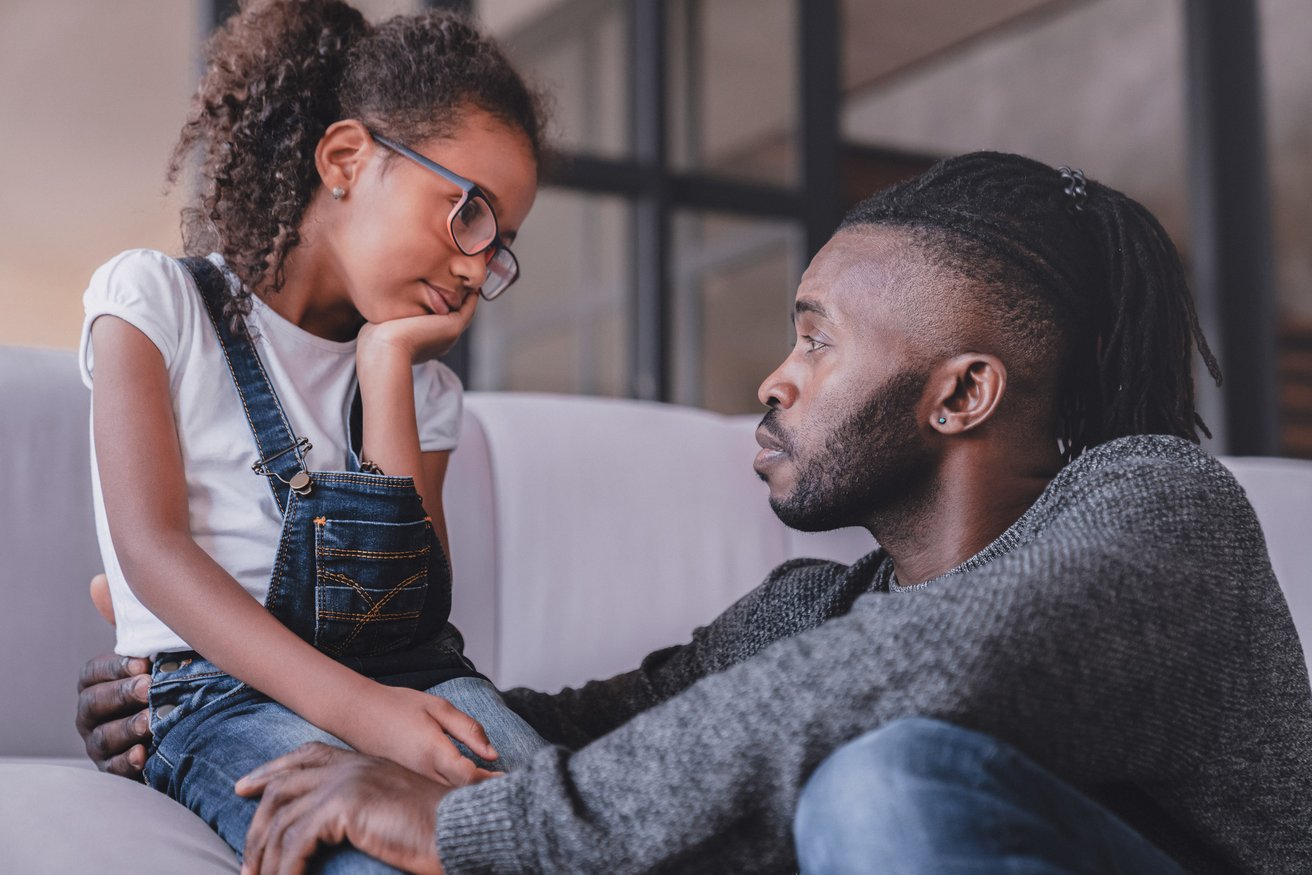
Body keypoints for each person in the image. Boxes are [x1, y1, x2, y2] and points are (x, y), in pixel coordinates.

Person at [79, 153, 1312, 874]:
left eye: (816, 340)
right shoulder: (815, 609)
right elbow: (587, 725)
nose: (773, 379)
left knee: (876, 782)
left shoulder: (1157, 508)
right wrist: (217, 691)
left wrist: (484, 826)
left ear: (962, 393)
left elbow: (917, 670)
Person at [77, 1, 549, 870]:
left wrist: (388, 367)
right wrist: (368, 716)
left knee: (562, 828)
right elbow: (151, 550)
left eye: (501, 244)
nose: (478, 265)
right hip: (223, 699)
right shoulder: (153, 304)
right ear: (345, 158)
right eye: (467, 213)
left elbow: (409, 614)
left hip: (415, 679)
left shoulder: (426, 387)